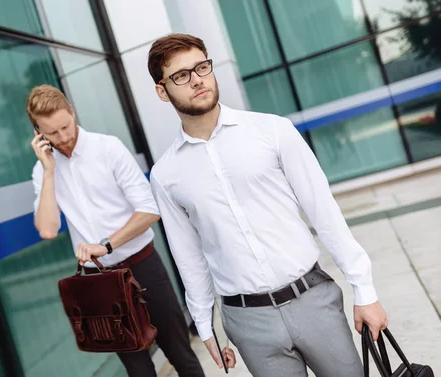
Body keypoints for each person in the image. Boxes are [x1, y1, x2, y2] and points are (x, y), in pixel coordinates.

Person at [147, 33, 388, 377]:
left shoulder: (272, 131)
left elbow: (324, 212)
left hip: (313, 301)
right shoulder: (166, 174)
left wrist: (364, 289)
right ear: (162, 90)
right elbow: (189, 258)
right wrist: (205, 326)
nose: (197, 79)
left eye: (201, 67)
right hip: (248, 322)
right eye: (181, 75)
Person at [26, 85, 209, 377]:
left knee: (180, 354)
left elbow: (149, 210)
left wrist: (107, 244)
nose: (63, 137)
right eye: (52, 133)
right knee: (137, 370)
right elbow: (48, 229)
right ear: (38, 133)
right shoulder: (43, 171)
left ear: (72, 113)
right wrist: (48, 171)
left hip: (144, 268)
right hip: (101, 282)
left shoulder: (107, 148)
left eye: (65, 126)